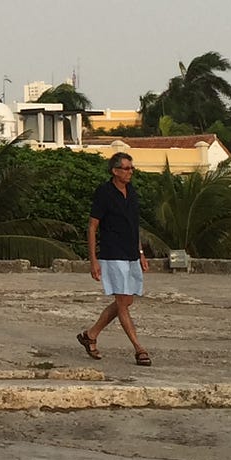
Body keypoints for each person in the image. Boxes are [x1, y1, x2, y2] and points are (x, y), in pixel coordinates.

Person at [78, 152, 151, 366]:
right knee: (121, 302)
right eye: (126, 168)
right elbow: (92, 226)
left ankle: (90, 334)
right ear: (115, 171)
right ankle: (139, 348)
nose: (130, 172)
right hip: (113, 253)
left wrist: (141, 253)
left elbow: (134, 226)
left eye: (131, 168)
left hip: (131, 253)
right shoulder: (104, 192)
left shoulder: (132, 192)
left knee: (127, 300)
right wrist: (93, 259)